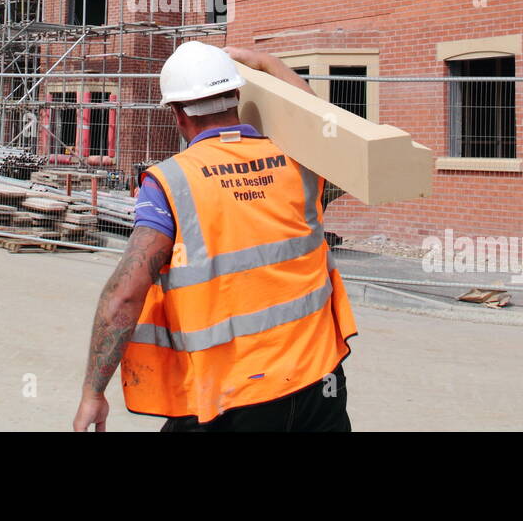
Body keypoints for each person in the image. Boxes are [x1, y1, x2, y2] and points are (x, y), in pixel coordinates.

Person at [73, 42, 357, 432]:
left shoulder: (172, 182)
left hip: (230, 398)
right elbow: (330, 128)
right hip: (317, 383)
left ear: (176, 113)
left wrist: (93, 392)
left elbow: (125, 294)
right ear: (237, 95)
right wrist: (267, 63)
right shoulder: (298, 162)